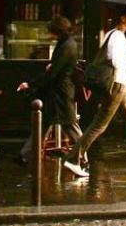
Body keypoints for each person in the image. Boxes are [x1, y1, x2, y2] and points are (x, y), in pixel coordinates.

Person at [62, 5, 126, 178]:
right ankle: (73, 159)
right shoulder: (117, 37)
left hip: (120, 85)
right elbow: (118, 62)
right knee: (99, 124)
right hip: (116, 85)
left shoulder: (112, 35)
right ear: (123, 18)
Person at [16, 16, 83, 165]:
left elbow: (53, 72)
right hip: (58, 92)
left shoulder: (66, 46)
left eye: (52, 32)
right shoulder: (66, 44)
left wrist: (31, 84)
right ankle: (25, 154)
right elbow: (54, 68)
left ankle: (83, 155)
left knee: (70, 125)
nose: (50, 35)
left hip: (61, 92)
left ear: (58, 32)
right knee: (45, 124)